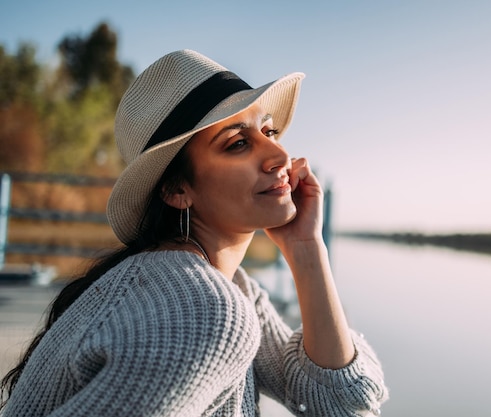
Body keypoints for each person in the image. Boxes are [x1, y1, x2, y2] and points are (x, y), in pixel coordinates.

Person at [0, 49, 388, 416]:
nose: (281, 156)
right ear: (176, 190)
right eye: (237, 143)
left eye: (268, 132)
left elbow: (341, 403)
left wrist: (306, 248)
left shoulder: (231, 290)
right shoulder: (201, 310)